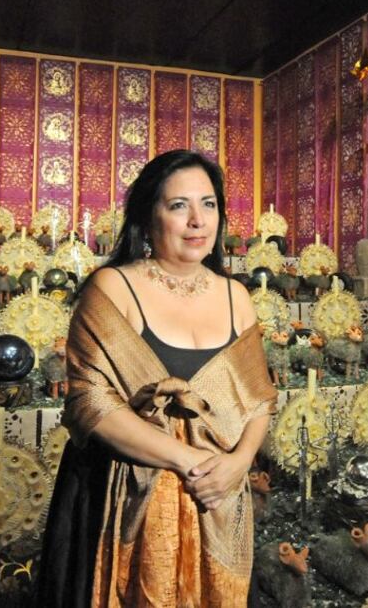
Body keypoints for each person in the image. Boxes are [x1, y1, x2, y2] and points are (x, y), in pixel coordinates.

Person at [37, 150, 276, 607]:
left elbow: (259, 399)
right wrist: (191, 461)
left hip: (216, 499)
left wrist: (239, 462)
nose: (197, 221)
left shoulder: (236, 296)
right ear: (148, 217)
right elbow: (89, 402)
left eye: (208, 204)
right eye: (178, 205)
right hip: (121, 494)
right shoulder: (114, 287)